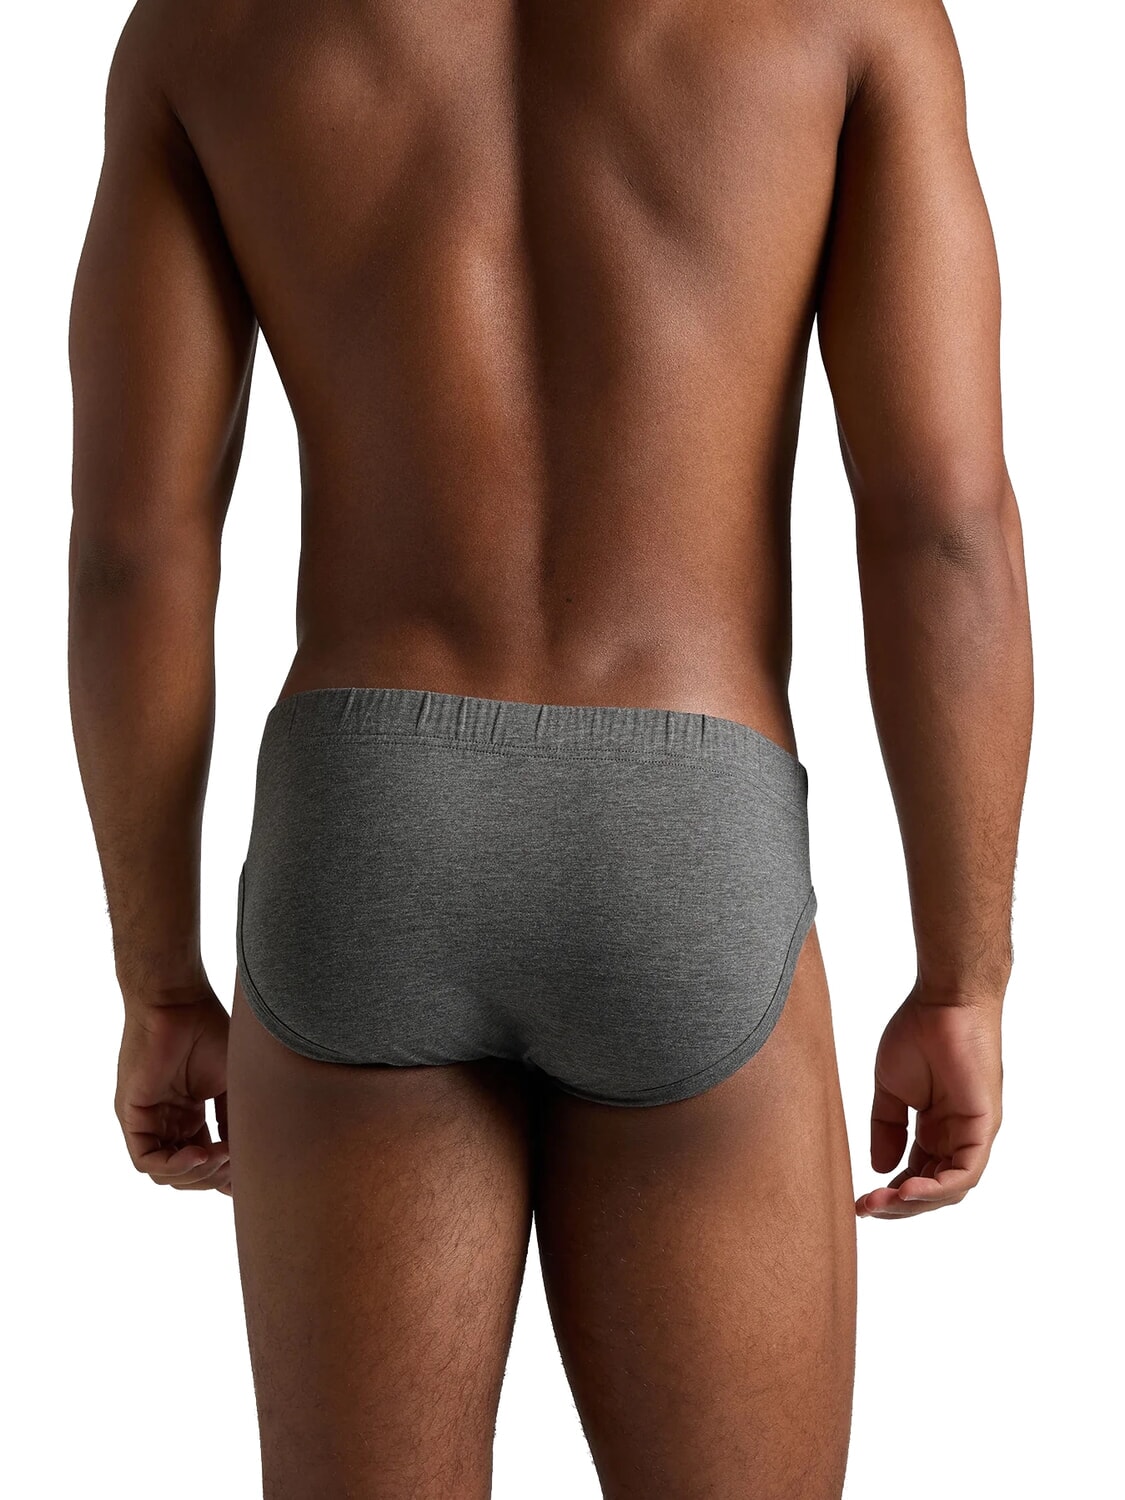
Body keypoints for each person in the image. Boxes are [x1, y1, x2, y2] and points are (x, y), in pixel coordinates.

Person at [67, 0, 1032, 1494]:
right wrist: (962, 978)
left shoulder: (209, 25)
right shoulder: (849, 15)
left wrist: (159, 977)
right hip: (686, 819)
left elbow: (134, 548)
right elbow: (941, 526)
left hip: (363, 823)